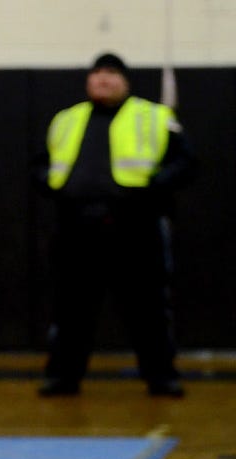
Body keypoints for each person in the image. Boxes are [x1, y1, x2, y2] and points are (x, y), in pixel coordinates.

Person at [34, 52, 198, 398]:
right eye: (96, 73)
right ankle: (63, 377)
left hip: (134, 227)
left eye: (110, 73)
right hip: (77, 229)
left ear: (125, 81)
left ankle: (161, 377)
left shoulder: (153, 116)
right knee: (72, 309)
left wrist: (153, 188)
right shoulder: (67, 119)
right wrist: (49, 182)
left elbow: (186, 162)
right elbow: (41, 163)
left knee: (148, 308)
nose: (102, 79)